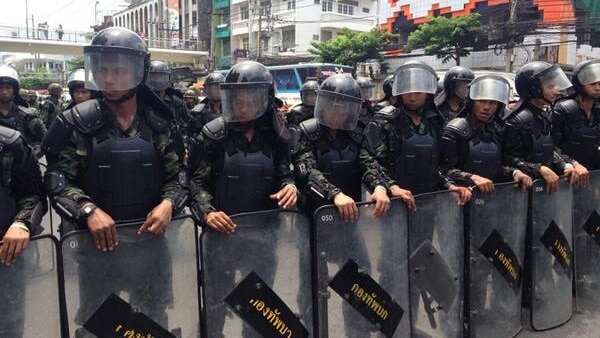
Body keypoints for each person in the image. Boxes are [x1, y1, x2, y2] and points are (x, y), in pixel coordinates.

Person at [42, 27, 189, 335]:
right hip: (97, 249)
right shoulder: (77, 122)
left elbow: (179, 176)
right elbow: (57, 179)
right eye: (103, 70)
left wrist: (168, 203)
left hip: (150, 247)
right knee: (100, 325)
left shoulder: (159, 123)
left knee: (152, 322)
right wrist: (87, 209)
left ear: (138, 71)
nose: (109, 79)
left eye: (119, 71)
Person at [189, 61, 296, 337]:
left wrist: (290, 186)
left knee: (259, 304)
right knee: (216, 303)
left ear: (264, 98)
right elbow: (196, 182)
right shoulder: (213, 134)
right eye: (238, 97)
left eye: (251, 97)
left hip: (263, 237)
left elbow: (287, 173)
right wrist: (208, 212)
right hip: (222, 236)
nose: (244, 104)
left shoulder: (276, 135)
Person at [362, 60, 471, 203]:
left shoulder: (435, 123)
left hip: (429, 203)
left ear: (428, 92)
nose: (412, 97)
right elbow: (368, 160)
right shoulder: (385, 120)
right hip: (394, 204)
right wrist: (386, 187)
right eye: (407, 91)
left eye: (418, 92)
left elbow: (436, 167)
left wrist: (449, 185)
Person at [440, 74, 533, 193]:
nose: (487, 107)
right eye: (482, 101)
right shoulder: (455, 129)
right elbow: (443, 170)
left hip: (492, 200)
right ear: (472, 102)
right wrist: (472, 178)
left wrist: (515, 173)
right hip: (462, 200)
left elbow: (495, 167)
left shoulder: (496, 131)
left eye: (492, 103)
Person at [502, 61, 581, 192]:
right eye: (550, 87)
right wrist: (539, 169)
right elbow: (506, 158)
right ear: (534, 88)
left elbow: (548, 148)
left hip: (544, 190)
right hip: (520, 191)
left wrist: (564, 164)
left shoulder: (544, 115)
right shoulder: (516, 120)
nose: (556, 91)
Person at [0, 125, 46, 337]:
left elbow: (33, 196)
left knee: (9, 324)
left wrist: (21, 224)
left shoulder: (10, 144)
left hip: (6, 257)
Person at [552, 59, 600, 175]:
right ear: (580, 85)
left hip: (591, 178)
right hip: (564, 176)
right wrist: (572, 163)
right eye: (593, 84)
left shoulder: (597, 111)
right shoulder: (563, 109)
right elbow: (550, 145)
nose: (598, 88)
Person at [147, 60, 190, 161]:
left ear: (168, 78)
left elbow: (185, 127)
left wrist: (185, 148)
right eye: (154, 76)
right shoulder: (142, 100)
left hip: (174, 150)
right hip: (149, 147)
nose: (157, 80)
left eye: (161, 76)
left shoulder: (177, 102)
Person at [0, 66, 46, 146]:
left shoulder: (28, 117)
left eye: (8, 88)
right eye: (0, 88)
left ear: (14, 90)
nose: (4, 92)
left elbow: (45, 142)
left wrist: (30, 154)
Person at [189, 72, 224, 137]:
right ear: (206, 90)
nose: (214, 91)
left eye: (217, 88)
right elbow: (194, 137)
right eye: (211, 88)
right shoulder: (197, 112)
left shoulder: (233, 109)